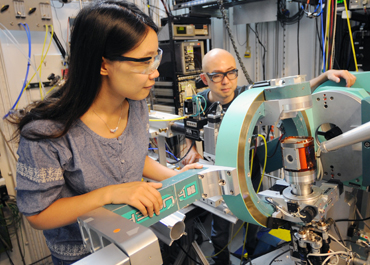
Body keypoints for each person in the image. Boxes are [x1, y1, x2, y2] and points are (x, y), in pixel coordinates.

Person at [9, 1, 202, 264]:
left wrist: (174, 176)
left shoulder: (135, 104)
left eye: (154, 57)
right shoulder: (48, 132)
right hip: (85, 254)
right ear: (103, 65)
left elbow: (133, 156)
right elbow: (39, 215)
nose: (155, 72)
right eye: (144, 62)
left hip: (133, 237)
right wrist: (111, 193)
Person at [182, 48, 357, 265]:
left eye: (231, 72)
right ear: (204, 78)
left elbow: (290, 93)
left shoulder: (247, 95)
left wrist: (324, 75)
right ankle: (221, 259)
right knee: (221, 220)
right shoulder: (198, 102)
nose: (225, 81)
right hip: (219, 169)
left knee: (255, 208)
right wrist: (191, 148)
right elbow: (188, 125)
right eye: (216, 75)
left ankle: (251, 251)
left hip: (251, 161)